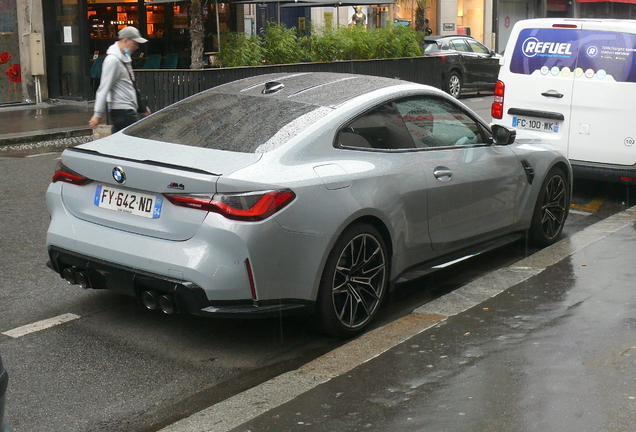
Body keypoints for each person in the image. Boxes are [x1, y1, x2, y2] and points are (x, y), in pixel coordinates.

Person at [89, 26, 151, 133]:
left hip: (126, 109)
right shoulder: (113, 61)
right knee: (135, 140)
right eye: (135, 43)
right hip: (122, 110)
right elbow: (104, 88)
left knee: (122, 140)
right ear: (125, 40)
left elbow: (130, 86)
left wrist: (142, 107)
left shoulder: (124, 58)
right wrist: (97, 114)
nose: (136, 47)